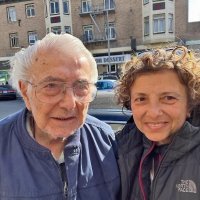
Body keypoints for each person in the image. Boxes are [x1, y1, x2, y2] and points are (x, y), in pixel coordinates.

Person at [0, 33, 120, 199]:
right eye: (51, 86)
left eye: (81, 86)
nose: (69, 103)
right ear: (25, 92)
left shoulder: (105, 140)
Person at [115, 46, 200, 200]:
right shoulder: (116, 151)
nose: (154, 112)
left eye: (168, 98)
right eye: (141, 99)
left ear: (189, 105)